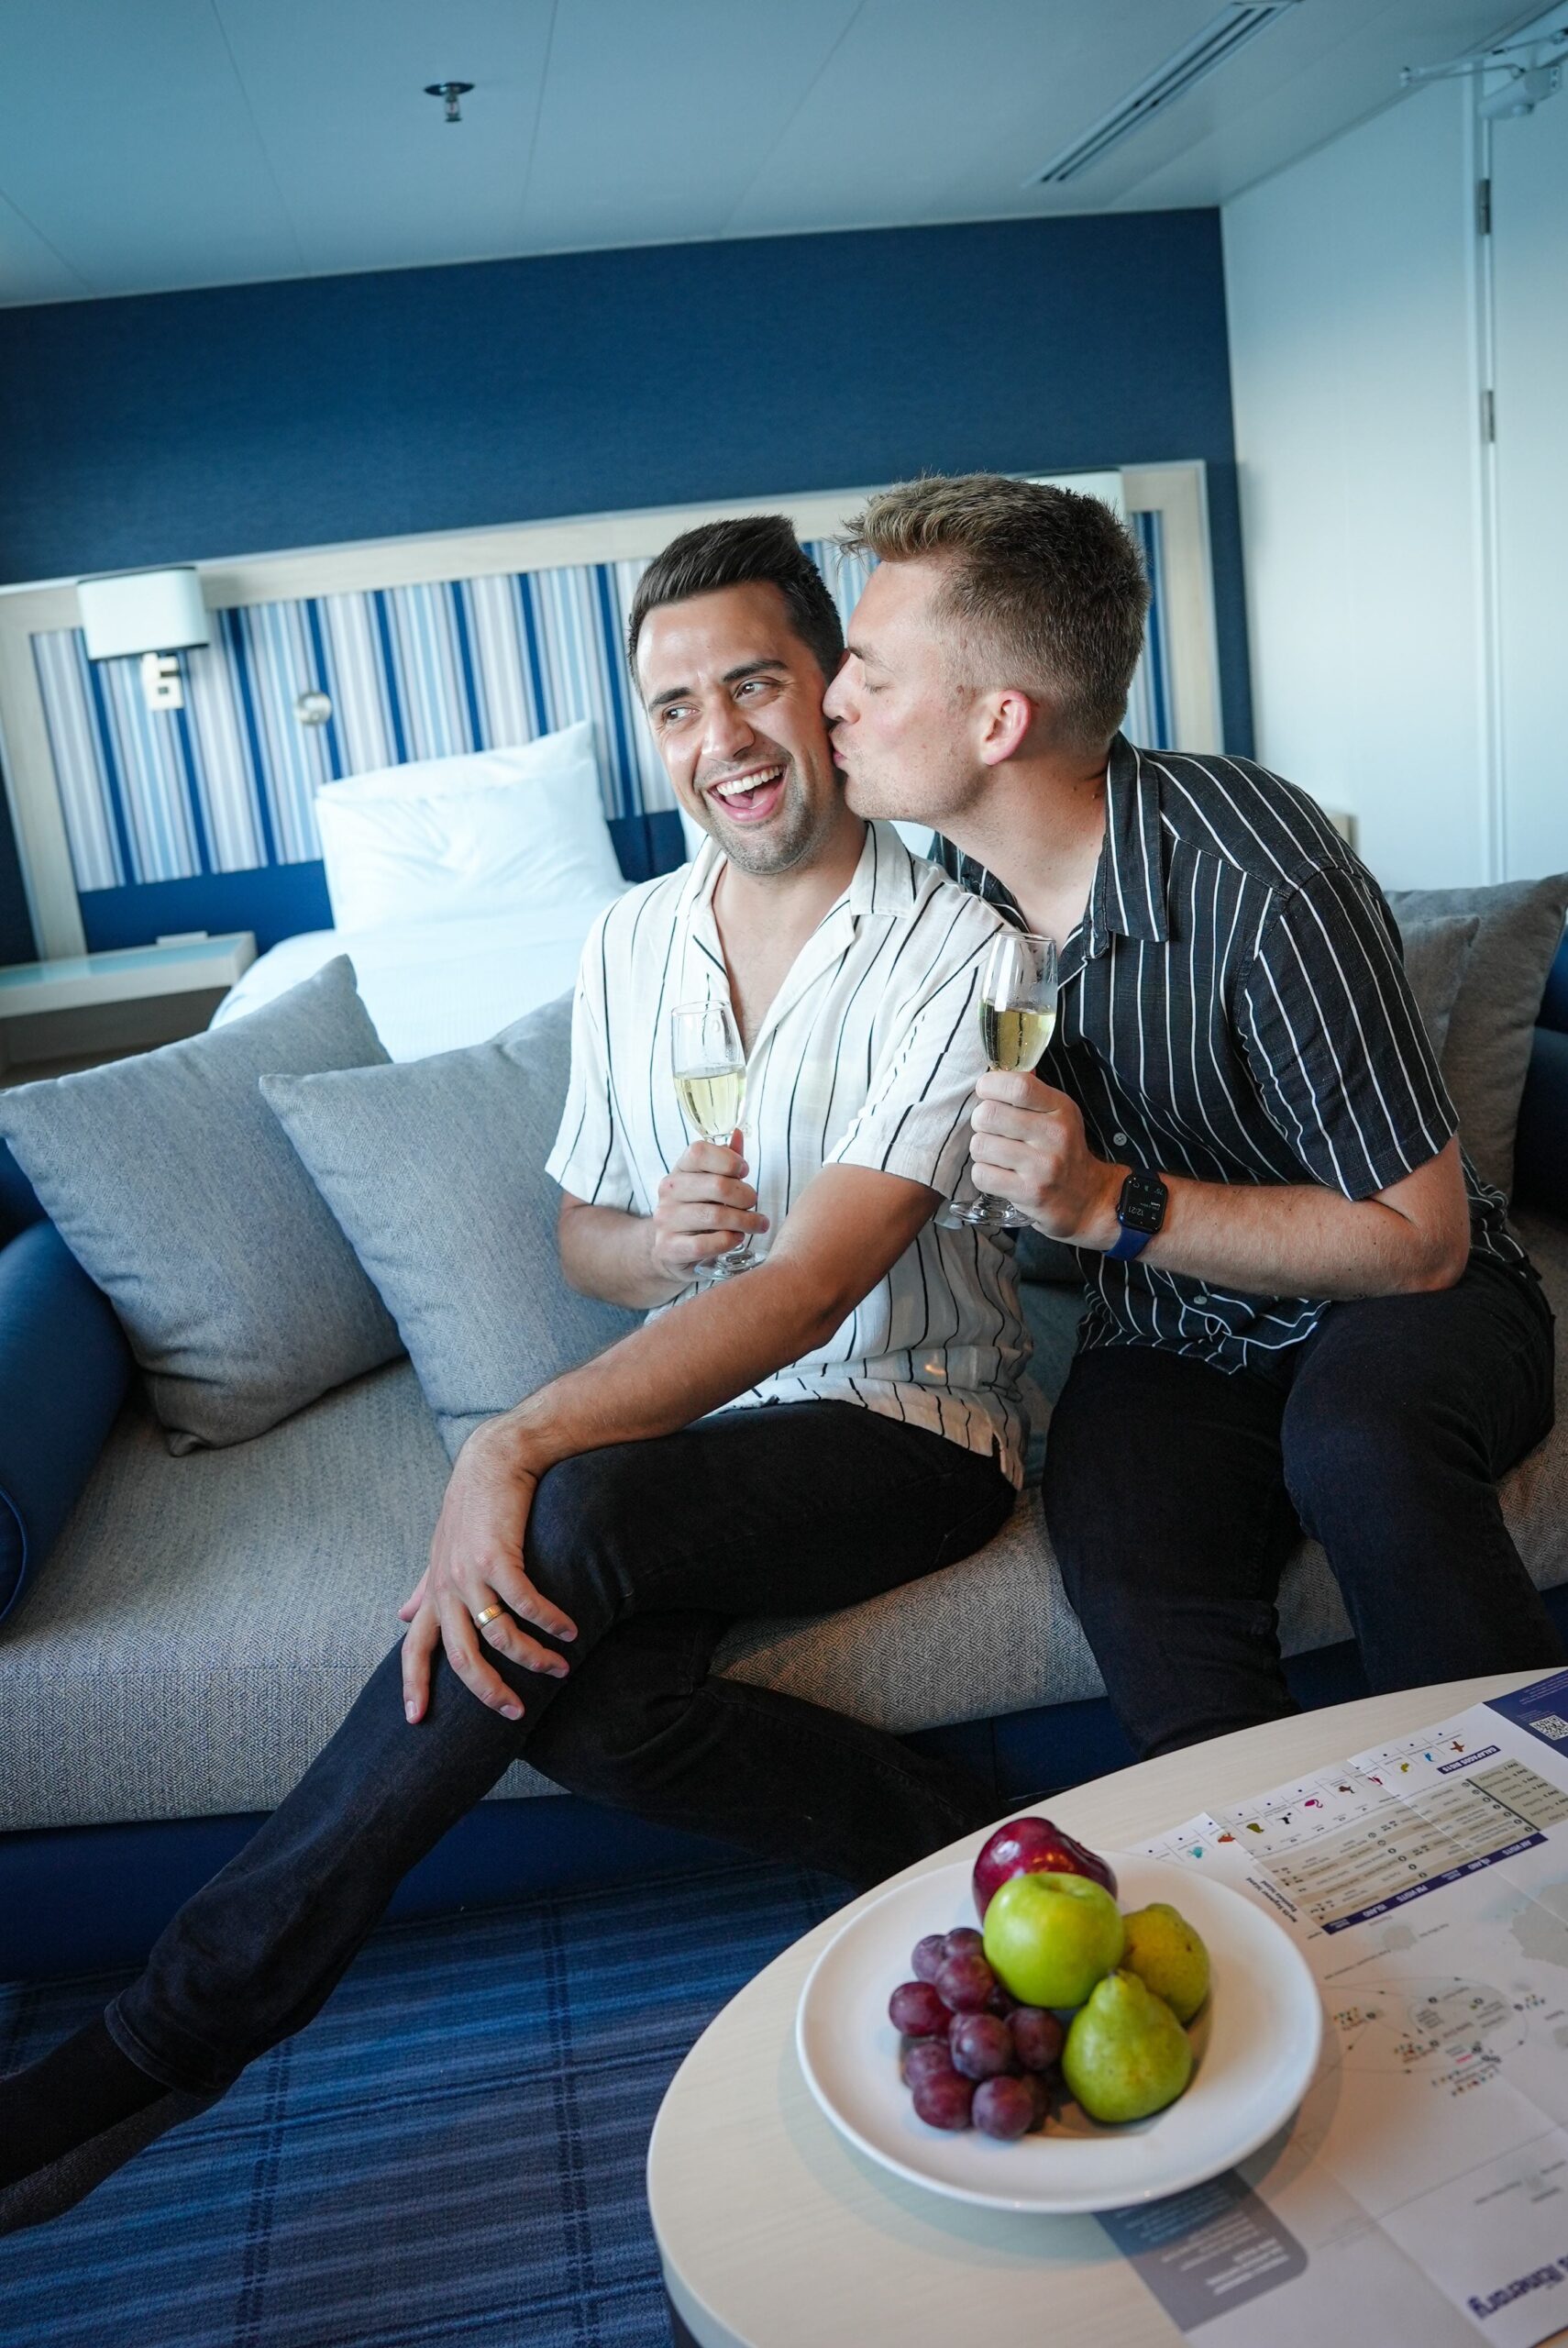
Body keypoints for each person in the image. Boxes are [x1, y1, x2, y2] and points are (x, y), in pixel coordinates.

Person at [1, 515, 1027, 2231]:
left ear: (833, 691)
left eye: (755, 684)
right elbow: (585, 1244)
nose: (721, 742)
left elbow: (814, 1295)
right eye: (678, 707)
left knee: (563, 1520)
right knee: (583, 1691)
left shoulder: (959, 949)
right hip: (718, 1417)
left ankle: (162, 2040)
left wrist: (505, 1453)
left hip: (908, 1418)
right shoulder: (629, 944)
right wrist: (655, 1243)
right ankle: (951, 1826)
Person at [824, 471, 1561, 1762]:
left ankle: (1520, 1868)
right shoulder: (953, 883)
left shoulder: (1259, 877)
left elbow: (1420, 1239)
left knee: (1355, 1445)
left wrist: (1107, 1202)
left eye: (870, 675)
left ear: (998, 720)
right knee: (1120, 1545)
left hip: (1409, 1301)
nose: (835, 700)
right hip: (1169, 1325)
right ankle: (1264, 1888)